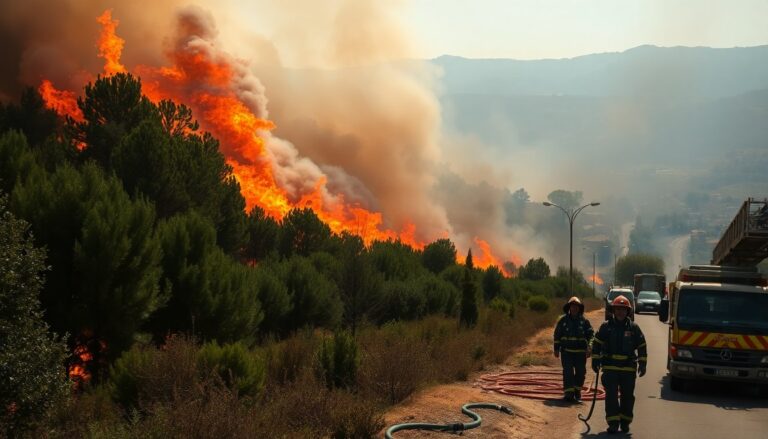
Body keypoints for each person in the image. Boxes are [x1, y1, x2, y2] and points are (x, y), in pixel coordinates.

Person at [591, 295, 648, 434]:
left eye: (623, 309)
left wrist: (643, 363)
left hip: (628, 368)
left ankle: (625, 421)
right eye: (618, 309)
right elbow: (597, 343)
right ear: (613, 310)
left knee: (628, 397)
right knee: (611, 396)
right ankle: (613, 423)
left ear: (627, 311)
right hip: (610, 367)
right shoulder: (606, 327)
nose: (620, 312)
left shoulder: (634, 328)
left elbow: (641, 345)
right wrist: (595, 359)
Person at [553, 296, 594, 402]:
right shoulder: (563, 321)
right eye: (572, 306)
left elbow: (591, 335)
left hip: (580, 353)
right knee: (568, 373)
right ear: (569, 307)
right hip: (567, 352)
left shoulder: (584, 321)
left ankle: (577, 392)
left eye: (576, 306)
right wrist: (556, 349)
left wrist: (590, 347)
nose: (574, 308)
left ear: (579, 308)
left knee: (581, 372)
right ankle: (568, 394)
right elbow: (557, 335)